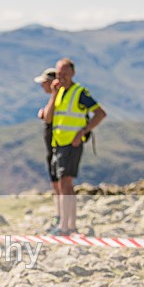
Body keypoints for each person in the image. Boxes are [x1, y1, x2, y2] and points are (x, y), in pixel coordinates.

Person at [43, 58, 107, 235]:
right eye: (58, 74)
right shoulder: (59, 93)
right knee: (64, 185)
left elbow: (100, 113)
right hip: (58, 143)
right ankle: (68, 225)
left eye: (64, 74)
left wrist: (83, 132)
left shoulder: (79, 93)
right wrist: (54, 94)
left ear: (72, 74)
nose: (61, 77)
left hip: (72, 143)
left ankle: (66, 226)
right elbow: (48, 118)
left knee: (66, 183)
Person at [34, 67, 61, 232]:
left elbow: (50, 117)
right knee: (56, 183)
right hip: (52, 146)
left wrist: (53, 95)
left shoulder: (56, 97)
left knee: (60, 184)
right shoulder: (54, 98)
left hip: (57, 144)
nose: (42, 86)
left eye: (44, 83)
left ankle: (61, 219)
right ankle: (59, 216)